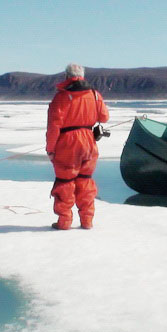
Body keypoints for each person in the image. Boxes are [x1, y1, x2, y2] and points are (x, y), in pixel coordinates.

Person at [46, 63, 110, 230]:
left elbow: (54, 126)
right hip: (89, 142)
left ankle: (64, 222)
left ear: (67, 76)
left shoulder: (62, 96)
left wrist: (50, 149)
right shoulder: (95, 95)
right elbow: (104, 117)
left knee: (66, 181)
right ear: (83, 76)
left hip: (68, 143)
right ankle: (87, 221)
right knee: (85, 181)